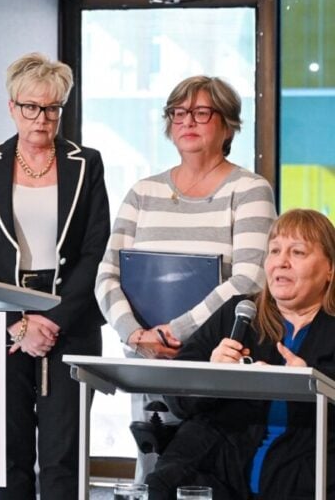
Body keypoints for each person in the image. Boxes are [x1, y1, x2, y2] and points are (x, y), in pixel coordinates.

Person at [95, 75, 276, 480]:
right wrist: (135, 336)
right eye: (178, 112)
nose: (186, 121)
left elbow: (248, 278)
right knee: (150, 472)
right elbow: (107, 274)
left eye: (201, 112)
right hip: (146, 357)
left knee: (202, 474)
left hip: (213, 361)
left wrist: (175, 334)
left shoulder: (249, 189)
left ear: (227, 125)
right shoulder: (143, 192)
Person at [0, 52, 110, 500]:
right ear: (12, 107)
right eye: (31, 107)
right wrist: (19, 322)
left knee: (63, 454)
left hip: (71, 318)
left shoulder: (88, 163)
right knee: (9, 451)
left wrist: (51, 319)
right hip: (6, 317)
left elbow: (93, 248)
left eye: (52, 108)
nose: (41, 118)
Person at [146, 208, 335, 499]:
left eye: (297, 252)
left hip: (307, 470)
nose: (281, 263)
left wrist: (312, 387)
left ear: (330, 268)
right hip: (218, 466)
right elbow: (177, 397)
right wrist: (211, 373)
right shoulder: (237, 312)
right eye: (274, 251)